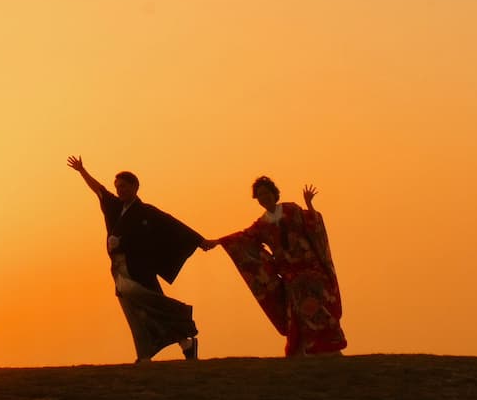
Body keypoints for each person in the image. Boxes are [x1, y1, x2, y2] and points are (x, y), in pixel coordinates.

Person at [67, 155, 204, 362]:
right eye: (118, 186)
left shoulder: (146, 211)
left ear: (135, 187)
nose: (120, 190)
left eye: (124, 186)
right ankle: (157, 351)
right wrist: (82, 171)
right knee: (134, 312)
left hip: (140, 268)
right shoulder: (114, 206)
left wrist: (200, 241)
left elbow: (173, 225)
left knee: (154, 305)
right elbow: (99, 190)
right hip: (119, 269)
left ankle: (182, 338)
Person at [204, 176, 347, 357]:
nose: (264, 198)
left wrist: (309, 204)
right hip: (290, 275)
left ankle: (327, 348)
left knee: (316, 306)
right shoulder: (262, 224)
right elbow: (243, 239)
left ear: (274, 194)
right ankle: (308, 350)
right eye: (260, 195)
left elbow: (313, 224)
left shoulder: (291, 209)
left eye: (266, 193)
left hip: (311, 268)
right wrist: (219, 241)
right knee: (297, 310)